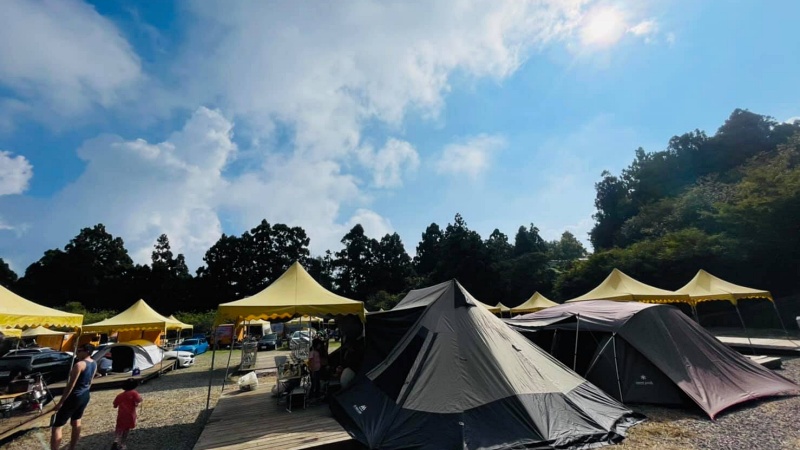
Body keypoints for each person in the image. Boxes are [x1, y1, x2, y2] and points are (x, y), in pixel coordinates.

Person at [51, 343, 97, 450]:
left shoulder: (79, 365)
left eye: (79, 351)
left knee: (57, 426)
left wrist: (61, 402)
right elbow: (90, 381)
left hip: (74, 396)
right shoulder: (94, 363)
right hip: (85, 394)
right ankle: (72, 447)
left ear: (87, 352)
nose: (77, 353)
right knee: (76, 421)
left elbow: (70, 385)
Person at [112, 378, 143, 450]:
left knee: (119, 428)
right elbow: (139, 400)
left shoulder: (119, 395)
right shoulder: (134, 393)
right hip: (130, 415)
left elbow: (115, 405)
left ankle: (116, 440)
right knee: (126, 429)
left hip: (121, 415)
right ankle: (122, 444)